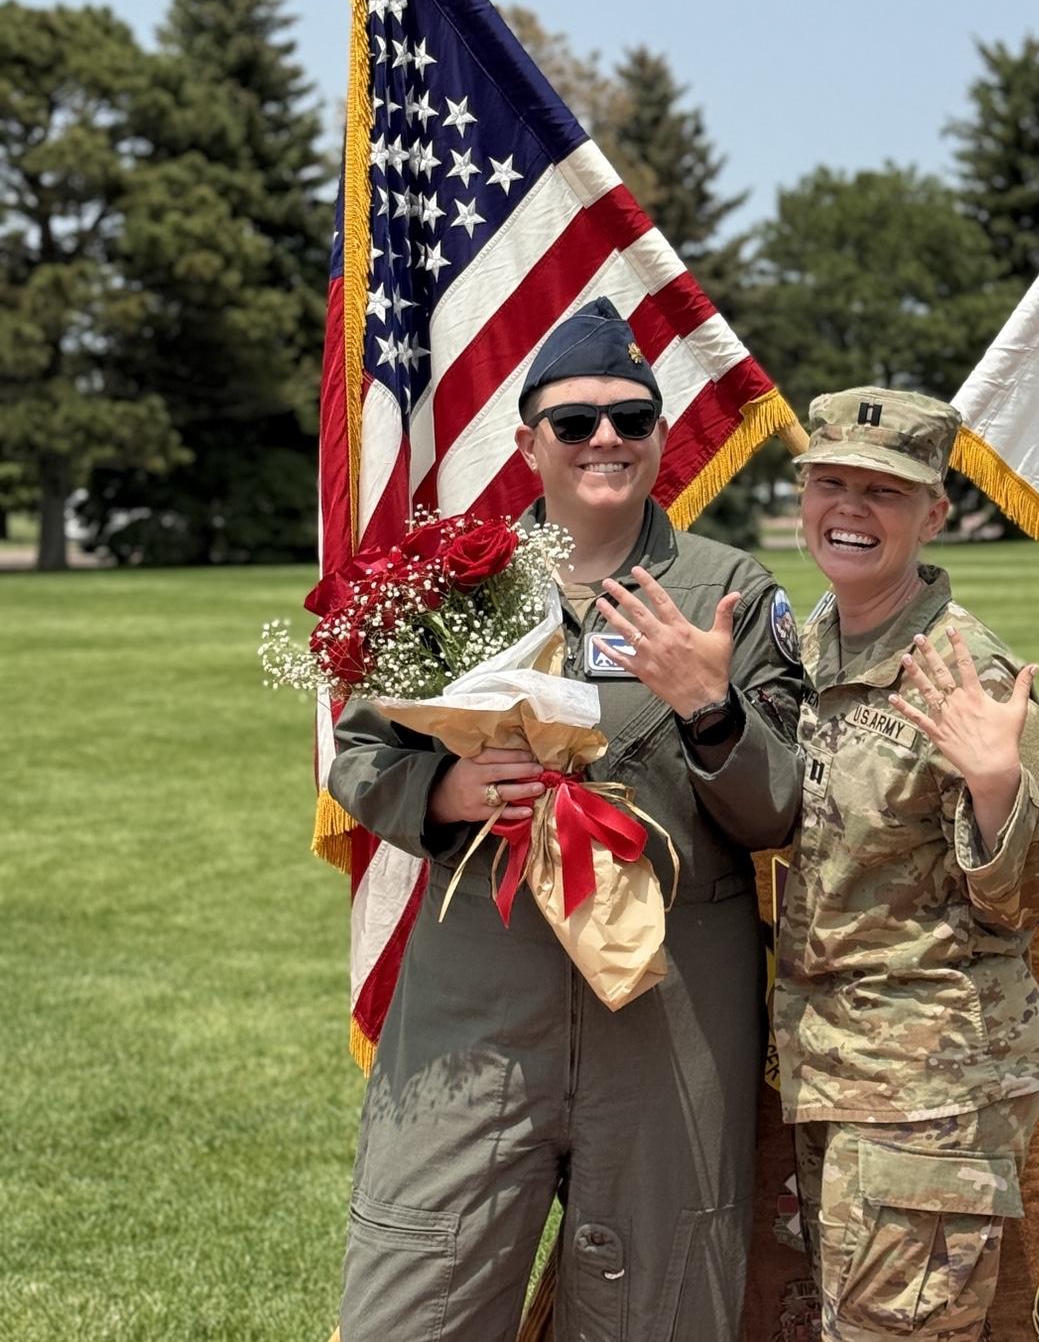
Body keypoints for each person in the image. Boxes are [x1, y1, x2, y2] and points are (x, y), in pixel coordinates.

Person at [327, 298, 805, 1341]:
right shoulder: (461, 587)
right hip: (478, 1003)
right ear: (527, 441)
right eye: (576, 422)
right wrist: (445, 796)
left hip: (667, 1012)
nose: (606, 440)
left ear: (660, 436)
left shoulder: (729, 593)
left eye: (632, 419)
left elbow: (777, 810)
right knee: (414, 1295)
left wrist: (708, 706)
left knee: (663, 1306)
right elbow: (360, 757)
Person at [775, 386, 1039, 1342]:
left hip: (929, 1090)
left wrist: (998, 787)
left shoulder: (965, 672)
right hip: (833, 1071)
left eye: (886, 492)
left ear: (934, 513)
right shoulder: (808, 642)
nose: (851, 510)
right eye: (832, 484)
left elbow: (1033, 894)